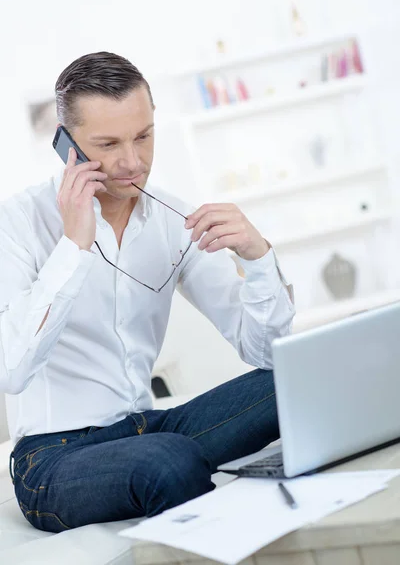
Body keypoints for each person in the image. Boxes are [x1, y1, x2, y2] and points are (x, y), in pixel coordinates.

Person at [0, 52, 295, 533]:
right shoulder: (16, 222)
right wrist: (74, 246)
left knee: (293, 383)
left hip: (148, 427)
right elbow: (10, 369)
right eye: (108, 144)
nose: (133, 163)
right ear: (66, 143)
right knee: (168, 460)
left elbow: (263, 350)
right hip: (53, 460)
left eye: (143, 136)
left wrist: (257, 258)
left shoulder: (173, 220)